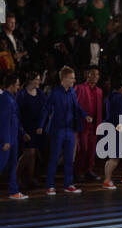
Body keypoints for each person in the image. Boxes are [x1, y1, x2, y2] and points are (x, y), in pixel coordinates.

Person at [38, 65, 93, 195]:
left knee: (69, 158)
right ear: (64, 78)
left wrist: (85, 115)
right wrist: (41, 125)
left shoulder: (72, 92)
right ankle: (50, 186)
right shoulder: (55, 92)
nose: (74, 80)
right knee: (54, 158)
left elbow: (77, 107)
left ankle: (68, 184)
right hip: (58, 130)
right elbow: (46, 109)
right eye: (71, 78)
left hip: (70, 129)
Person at [0, 75, 29, 200]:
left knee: (12, 165)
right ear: (11, 85)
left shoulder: (11, 98)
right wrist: (6, 140)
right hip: (8, 140)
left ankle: (14, 191)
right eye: (17, 84)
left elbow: (14, 119)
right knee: (1, 165)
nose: (19, 87)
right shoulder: (5, 99)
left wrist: (22, 133)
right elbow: (4, 121)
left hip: (13, 138)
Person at [16, 71, 47, 187]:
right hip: (25, 127)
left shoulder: (39, 93)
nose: (39, 82)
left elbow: (45, 109)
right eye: (37, 79)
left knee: (33, 154)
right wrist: (22, 131)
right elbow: (17, 113)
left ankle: (30, 177)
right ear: (30, 80)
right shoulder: (22, 94)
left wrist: (41, 125)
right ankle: (16, 176)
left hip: (36, 128)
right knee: (29, 152)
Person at [74, 65, 103, 181]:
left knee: (91, 149)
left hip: (94, 125)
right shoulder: (80, 88)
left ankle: (88, 170)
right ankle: (77, 172)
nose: (95, 76)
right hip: (82, 124)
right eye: (93, 74)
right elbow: (74, 105)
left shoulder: (99, 91)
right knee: (83, 148)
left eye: (97, 74)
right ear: (87, 75)